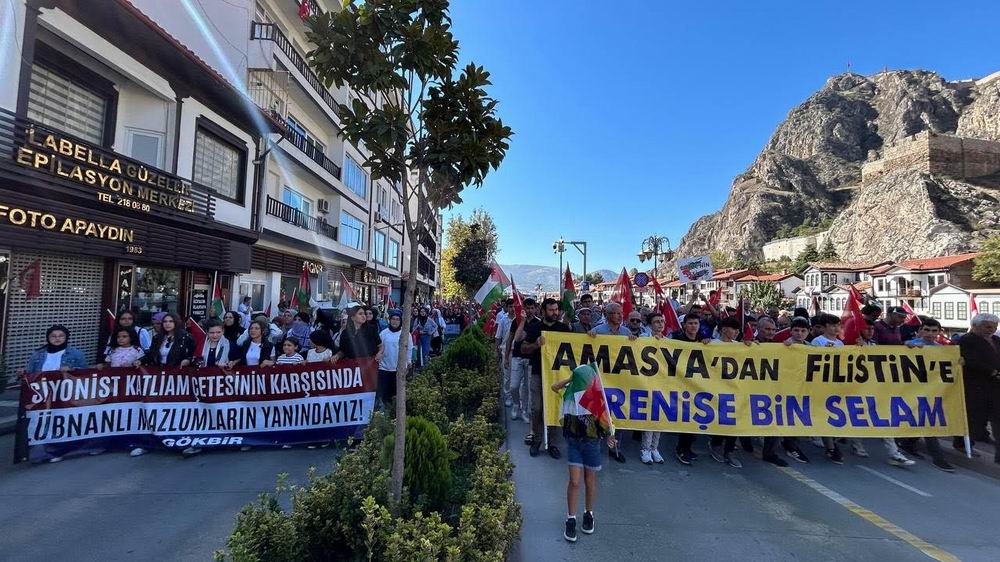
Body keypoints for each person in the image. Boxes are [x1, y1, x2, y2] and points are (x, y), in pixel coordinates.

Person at [551, 365, 617, 543]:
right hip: (573, 443)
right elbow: (554, 387)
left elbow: (607, 424)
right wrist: (570, 380)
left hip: (592, 444)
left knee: (590, 480)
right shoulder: (569, 395)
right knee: (574, 480)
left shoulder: (595, 398)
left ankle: (589, 513)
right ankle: (570, 519)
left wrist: (610, 438)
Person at [889, 318, 955, 472]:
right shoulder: (911, 345)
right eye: (927, 330)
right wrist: (908, 348)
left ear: (939, 332)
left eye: (934, 331)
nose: (930, 334)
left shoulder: (943, 349)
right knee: (926, 422)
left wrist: (958, 362)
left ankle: (907, 443)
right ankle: (938, 459)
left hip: (932, 391)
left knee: (925, 421)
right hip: (911, 390)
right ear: (920, 331)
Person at [19, 325, 89, 463]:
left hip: (64, 394)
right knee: (41, 422)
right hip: (42, 394)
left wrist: (72, 370)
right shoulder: (38, 354)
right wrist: (23, 374)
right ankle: (40, 452)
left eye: (60, 336)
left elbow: (85, 374)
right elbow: (31, 373)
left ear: (66, 337)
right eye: (53, 336)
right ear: (48, 338)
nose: (57, 339)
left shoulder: (76, 354)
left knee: (61, 422)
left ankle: (58, 450)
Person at [515, 297, 572, 459]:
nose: (554, 313)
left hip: (557, 376)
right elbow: (523, 349)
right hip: (538, 373)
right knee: (537, 408)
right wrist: (535, 345)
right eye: (551, 310)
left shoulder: (563, 329)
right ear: (543, 311)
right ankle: (538, 439)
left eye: (556, 310)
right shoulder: (534, 328)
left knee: (553, 408)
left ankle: (552, 442)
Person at [587, 302, 633, 462]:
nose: (621, 316)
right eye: (617, 313)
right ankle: (595, 446)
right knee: (598, 413)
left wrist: (634, 341)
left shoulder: (626, 332)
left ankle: (614, 449)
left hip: (619, 380)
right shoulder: (597, 331)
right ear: (607, 315)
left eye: (621, 313)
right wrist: (590, 337)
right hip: (601, 379)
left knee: (617, 414)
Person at [670, 313, 712, 465]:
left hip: (698, 385)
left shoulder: (703, 340)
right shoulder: (677, 340)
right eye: (690, 323)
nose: (693, 326)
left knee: (695, 418)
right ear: (685, 325)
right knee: (685, 418)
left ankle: (688, 447)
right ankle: (681, 449)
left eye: (696, 323)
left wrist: (708, 343)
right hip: (681, 384)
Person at [958, 313, 1000, 462]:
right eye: (988, 326)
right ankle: (962, 442)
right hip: (976, 386)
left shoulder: (996, 340)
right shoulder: (967, 340)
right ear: (975, 326)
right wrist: (992, 371)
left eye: (994, 326)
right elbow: (968, 360)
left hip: (995, 388)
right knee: (974, 419)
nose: (992, 329)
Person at [707, 317, 744, 468]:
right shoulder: (712, 345)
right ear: (723, 329)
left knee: (734, 422)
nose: (735, 332)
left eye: (737, 330)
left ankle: (729, 451)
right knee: (720, 419)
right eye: (732, 329)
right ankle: (715, 444)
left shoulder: (740, 346)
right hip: (716, 389)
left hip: (735, 389)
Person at [809, 314, 845, 464]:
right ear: (824, 327)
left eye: (838, 325)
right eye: (832, 325)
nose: (836, 328)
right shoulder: (818, 341)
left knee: (835, 414)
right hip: (820, 384)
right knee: (825, 414)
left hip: (835, 384)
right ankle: (830, 446)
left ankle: (832, 440)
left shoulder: (840, 344)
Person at [640, 311, 667, 465]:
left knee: (659, 417)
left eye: (662, 321)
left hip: (662, 383)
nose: (660, 324)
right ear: (650, 324)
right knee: (649, 417)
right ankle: (645, 449)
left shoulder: (668, 341)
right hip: (646, 382)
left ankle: (654, 448)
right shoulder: (644, 338)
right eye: (656, 321)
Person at [506, 298, 538, 427]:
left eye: (532, 308)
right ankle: (515, 404)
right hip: (517, 357)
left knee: (527, 387)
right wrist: (506, 356)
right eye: (527, 308)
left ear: (535, 309)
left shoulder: (538, 323)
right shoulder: (516, 321)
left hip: (531, 359)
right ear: (523, 309)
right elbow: (511, 339)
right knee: (514, 385)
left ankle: (524, 410)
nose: (530, 311)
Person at [378, 310, 412, 406]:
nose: (395, 321)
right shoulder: (383, 333)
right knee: (385, 393)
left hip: (399, 368)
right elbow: (379, 348)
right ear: (390, 320)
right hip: (384, 368)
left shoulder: (405, 334)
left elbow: (409, 349)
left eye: (397, 319)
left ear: (401, 321)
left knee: (396, 393)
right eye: (393, 319)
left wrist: (408, 362)